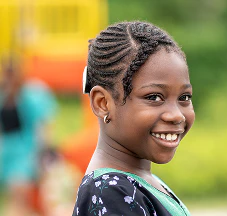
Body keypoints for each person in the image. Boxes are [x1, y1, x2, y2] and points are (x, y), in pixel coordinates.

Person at [72, 21, 195, 216]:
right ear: (103, 103)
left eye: (184, 98)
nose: (176, 115)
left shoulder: (143, 182)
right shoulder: (109, 192)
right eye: (154, 97)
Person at [0, 57, 57, 215]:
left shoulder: (32, 95)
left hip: (26, 151)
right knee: (14, 197)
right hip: (7, 152)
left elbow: (42, 127)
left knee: (20, 194)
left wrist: (43, 155)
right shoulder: (3, 96)